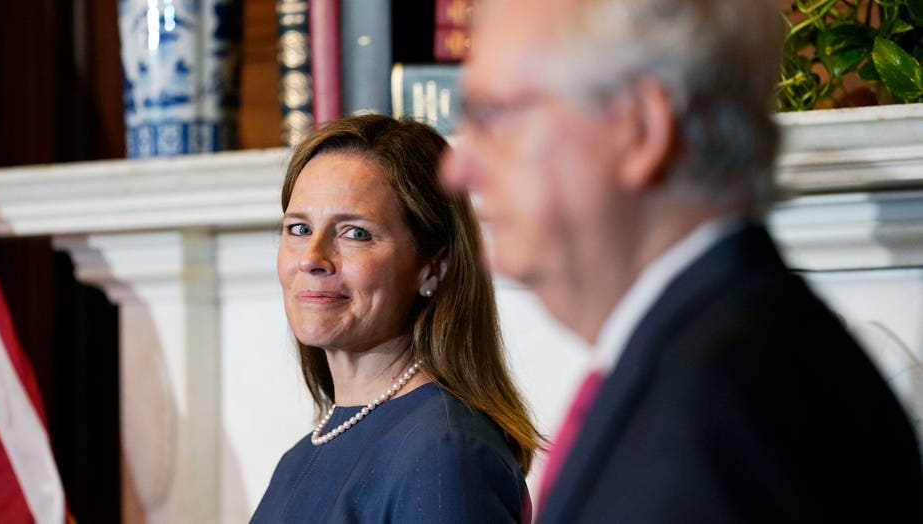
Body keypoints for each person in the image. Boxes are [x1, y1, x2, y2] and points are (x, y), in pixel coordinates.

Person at [441, 0, 923, 522]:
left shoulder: (730, 408)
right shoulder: (711, 352)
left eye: (493, 116)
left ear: (640, 129)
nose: (458, 167)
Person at [251, 114, 540, 523]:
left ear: (432, 268)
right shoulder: (298, 459)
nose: (312, 258)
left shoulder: (442, 453)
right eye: (298, 229)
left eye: (355, 233)